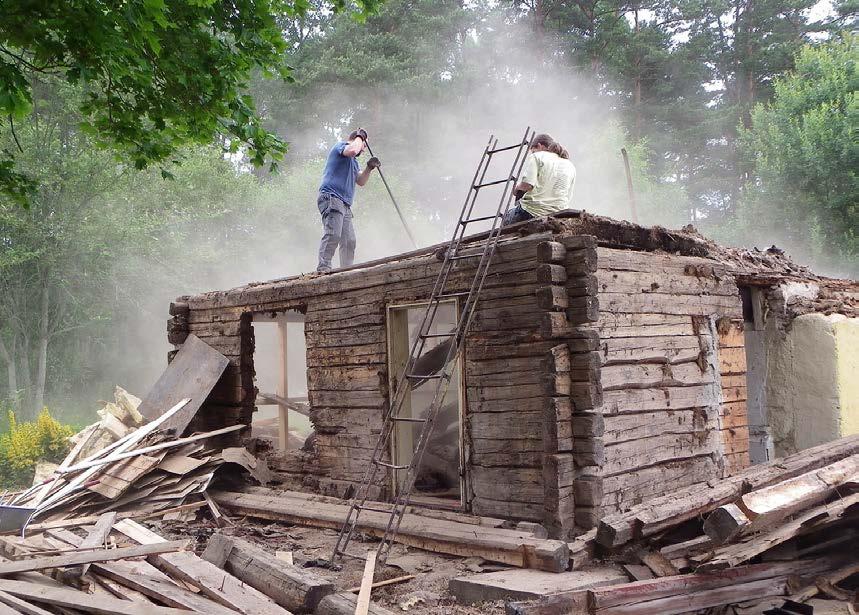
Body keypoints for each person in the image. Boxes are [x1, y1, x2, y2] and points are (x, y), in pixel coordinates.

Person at [316, 128, 381, 273]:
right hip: (331, 197)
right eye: (364, 146)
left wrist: (369, 168)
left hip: (344, 204)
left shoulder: (354, 162)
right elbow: (352, 150)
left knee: (349, 240)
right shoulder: (341, 146)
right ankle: (323, 268)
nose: (363, 150)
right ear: (358, 140)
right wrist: (360, 137)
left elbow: (360, 181)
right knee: (334, 233)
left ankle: (346, 271)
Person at [502, 133, 576, 226]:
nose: (533, 154)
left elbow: (527, 185)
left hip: (533, 213)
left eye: (533, 151)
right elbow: (568, 196)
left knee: (507, 217)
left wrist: (517, 189)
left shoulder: (537, 156)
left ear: (539, 146)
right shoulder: (570, 165)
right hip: (559, 215)